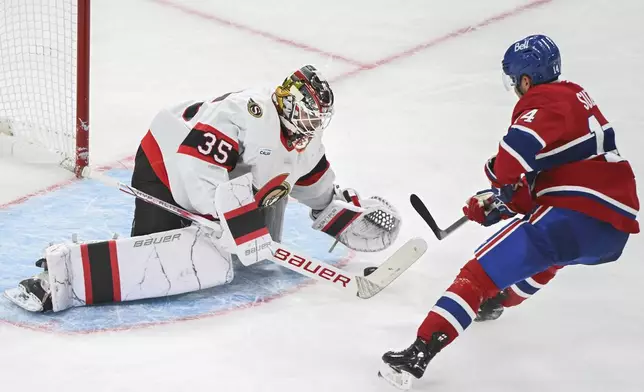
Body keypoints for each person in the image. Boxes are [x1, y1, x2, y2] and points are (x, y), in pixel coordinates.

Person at [4, 65, 401, 313]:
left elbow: (312, 182)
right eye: (309, 115)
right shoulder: (246, 114)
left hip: (228, 186)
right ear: (290, 104)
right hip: (167, 164)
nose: (313, 126)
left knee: (242, 252)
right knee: (172, 261)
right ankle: (63, 275)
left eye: (318, 119)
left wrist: (340, 216)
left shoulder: (305, 139)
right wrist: (221, 220)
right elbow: (196, 171)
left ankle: (221, 225)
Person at [378, 35, 639, 390]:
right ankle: (499, 301)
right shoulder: (575, 96)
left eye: (515, 80)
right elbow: (551, 177)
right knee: (550, 255)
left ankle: (418, 354)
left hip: (575, 212)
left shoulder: (545, 100)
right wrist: (502, 204)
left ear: (526, 79)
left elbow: (510, 161)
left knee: (476, 275)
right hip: (612, 229)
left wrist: (498, 187)